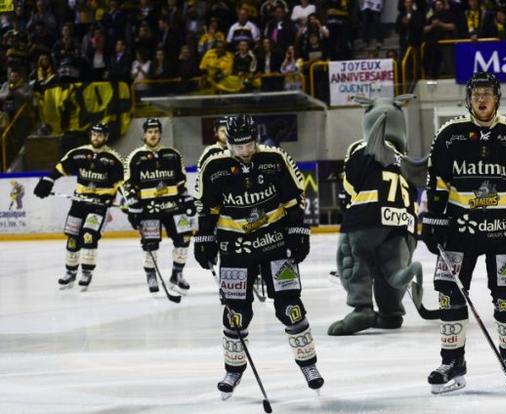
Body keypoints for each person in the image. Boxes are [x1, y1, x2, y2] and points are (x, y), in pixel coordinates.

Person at [421, 71, 506, 394]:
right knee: (449, 293)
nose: (481, 99)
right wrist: (432, 221)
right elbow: (436, 182)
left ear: (497, 98)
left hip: (504, 231)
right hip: (459, 232)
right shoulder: (450, 136)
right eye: (476, 93)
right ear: (468, 98)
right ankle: (452, 361)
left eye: (487, 93)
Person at [194, 114, 324, 398]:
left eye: (249, 144)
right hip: (234, 252)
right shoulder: (214, 167)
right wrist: (204, 239)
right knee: (236, 313)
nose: (244, 152)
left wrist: (299, 231)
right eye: (238, 146)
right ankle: (233, 369)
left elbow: (294, 200)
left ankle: (308, 365)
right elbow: (207, 209)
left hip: (275, 245)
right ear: (228, 143)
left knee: (291, 308)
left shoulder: (275, 159)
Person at [329, 94, 423, 336]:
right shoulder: (405, 160)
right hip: (404, 226)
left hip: (368, 219)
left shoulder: (361, 147)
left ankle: (362, 309)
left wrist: (351, 206)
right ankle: (391, 312)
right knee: (392, 270)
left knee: (354, 259)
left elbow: (351, 183)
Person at [33, 124, 124, 290]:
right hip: (79, 203)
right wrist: (48, 181)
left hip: (99, 206)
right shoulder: (79, 153)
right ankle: (70, 272)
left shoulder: (113, 159)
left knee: (89, 236)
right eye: (94, 134)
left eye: (100, 135)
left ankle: (86, 273)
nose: (96, 137)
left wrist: (127, 199)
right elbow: (61, 168)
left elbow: (122, 183)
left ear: (106, 137)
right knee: (73, 238)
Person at [122, 118, 194, 295]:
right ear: (144, 134)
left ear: (160, 133)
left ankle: (177, 274)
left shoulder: (173, 155)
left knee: (184, 238)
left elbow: (181, 182)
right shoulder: (136, 157)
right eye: (150, 131)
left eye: (156, 131)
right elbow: (127, 185)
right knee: (151, 244)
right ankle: (151, 275)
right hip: (149, 210)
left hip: (173, 207)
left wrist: (187, 200)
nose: (153, 134)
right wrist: (133, 207)